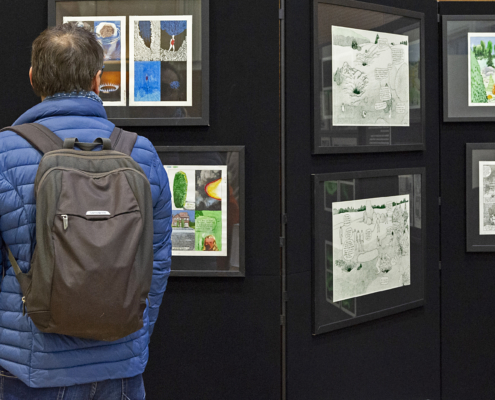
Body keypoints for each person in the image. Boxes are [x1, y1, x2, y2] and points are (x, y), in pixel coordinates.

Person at [0, 23, 172, 398]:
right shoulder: (141, 154)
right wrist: (132, 338)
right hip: (120, 370)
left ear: (33, 79)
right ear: (98, 80)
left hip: (31, 372)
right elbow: (155, 267)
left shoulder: (4, 154)